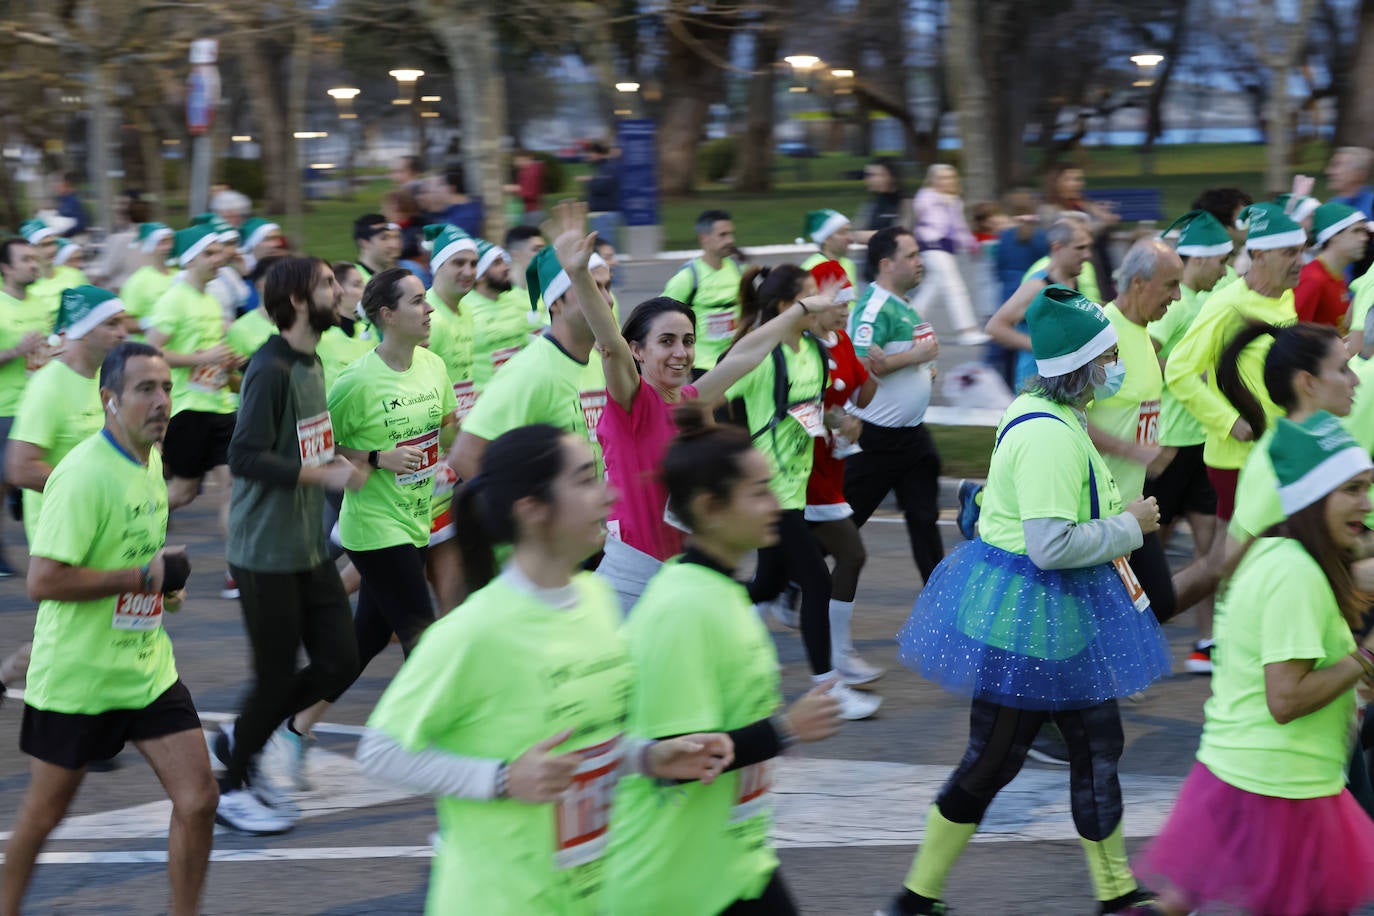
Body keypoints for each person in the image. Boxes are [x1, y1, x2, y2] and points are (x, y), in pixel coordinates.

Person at [356, 423, 732, 914]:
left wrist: (646, 759)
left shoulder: (597, 598)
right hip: (499, 900)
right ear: (532, 511)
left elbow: (585, 742)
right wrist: (502, 779)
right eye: (583, 480)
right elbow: (380, 751)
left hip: (589, 897)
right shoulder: (475, 630)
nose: (608, 493)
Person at [879, 285, 1172, 916]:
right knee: (992, 761)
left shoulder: (1054, 415)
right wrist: (1131, 524)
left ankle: (1116, 894)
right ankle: (913, 899)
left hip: (1055, 614)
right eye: (1109, 356)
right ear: (1083, 367)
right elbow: (1049, 545)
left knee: (1096, 746)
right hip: (1030, 617)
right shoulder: (1048, 436)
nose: (1116, 365)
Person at [539, 202, 846, 614]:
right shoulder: (631, 401)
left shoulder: (690, 402)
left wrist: (801, 310)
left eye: (687, 340)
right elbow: (610, 345)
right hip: (631, 583)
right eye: (666, 341)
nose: (680, 353)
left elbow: (746, 354)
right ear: (638, 351)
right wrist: (578, 275)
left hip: (684, 577)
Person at [0, 342, 213, 916]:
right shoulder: (81, 475)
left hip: (145, 670)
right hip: (79, 677)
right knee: (44, 817)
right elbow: (42, 582)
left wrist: (165, 584)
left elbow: (139, 556)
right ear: (109, 400)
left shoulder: (149, 463)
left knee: (198, 800)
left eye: (167, 387)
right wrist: (144, 575)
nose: (162, 400)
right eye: (146, 389)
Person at [604, 406, 844, 915]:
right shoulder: (681, 607)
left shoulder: (722, 592)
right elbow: (678, 759)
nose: (774, 502)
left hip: (734, 862)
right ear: (711, 508)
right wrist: (787, 728)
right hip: (674, 883)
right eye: (758, 491)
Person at [1134, 412, 1374, 916]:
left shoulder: (1281, 551)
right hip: (1282, 785)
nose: (1367, 504)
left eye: (1367, 487)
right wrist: (1365, 659)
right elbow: (1285, 699)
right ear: (1314, 496)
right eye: (1352, 490)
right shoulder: (1297, 575)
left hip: (1248, 770)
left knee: (1178, 902)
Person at [211, 258, 365, 836]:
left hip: (306, 546)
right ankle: (231, 784)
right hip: (264, 553)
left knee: (340, 662)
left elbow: (312, 445)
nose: (339, 291)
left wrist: (342, 463)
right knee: (276, 677)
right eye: (328, 284)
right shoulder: (269, 367)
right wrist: (319, 476)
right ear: (299, 301)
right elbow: (244, 456)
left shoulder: (314, 361)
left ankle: (242, 733)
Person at [292, 268, 457, 738]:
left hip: (417, 519)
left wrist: (458, 456)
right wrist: (375, 457)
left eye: (427, 300)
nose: (429, 309)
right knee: (420, 633)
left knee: (358, 647)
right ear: (387, 315)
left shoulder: (433, 366)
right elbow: (315, 448)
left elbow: (447, 430)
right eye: (418, 301)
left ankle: (279, 726)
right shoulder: (356, 382)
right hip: (372, 530)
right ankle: (436, 738)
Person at [728, 263, 881, 720]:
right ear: (784, 308)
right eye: (813, 295)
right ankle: (828, 689)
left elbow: (812, 409)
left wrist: (840, 422)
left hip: (795, 487)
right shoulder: (760, 354)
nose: (826, 302)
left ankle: (711, 619)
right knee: (814, 579)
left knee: (766, 584)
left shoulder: (812, 352)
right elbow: (707, 397)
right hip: (768, 490)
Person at [1166, 201, 1306, 525]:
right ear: (1259, 255)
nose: (1301, 262)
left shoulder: (1285, 295)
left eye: (1301, 251)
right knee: (1239, 562)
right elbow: (1179, 370)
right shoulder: (1227, 304)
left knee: (1244, 559)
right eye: (1289, 254)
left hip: (1277, 451)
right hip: (1237, 459)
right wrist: (1229, 422)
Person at [1146, 210, 1233, 674]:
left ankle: (1207, 641)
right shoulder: (1177, 304)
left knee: (1209, 547)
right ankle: (1131, 644)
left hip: (1203, 445)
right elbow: (1146, 351)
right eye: (1220, 260)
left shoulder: (1216, 296)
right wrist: (1186, 379)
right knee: (1147, 555)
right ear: (1197, 260)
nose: (1225, 267)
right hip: (1166, 448)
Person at [1085, 240, 1186, 623]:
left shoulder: (1142, 330)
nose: (1177, 297)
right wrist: (1134, 450)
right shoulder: (1103, 334)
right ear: (1140, 284)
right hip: (1096, 513)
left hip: (1132, 504)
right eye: (1170, 285)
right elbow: (1069, 420)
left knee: (1157, 602)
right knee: (1124, 610)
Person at [449, 245, 609, 480]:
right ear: (556, 303)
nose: (607, 299)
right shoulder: (528, 371)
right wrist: (520, 514)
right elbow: (465, 456)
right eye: (592, 288)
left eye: (608, 287)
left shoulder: (599, 361)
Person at [144, 224, 240, 598]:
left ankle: (236, 572)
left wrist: (226, 361)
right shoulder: (175, 299)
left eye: (219, 252)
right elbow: (153, 352)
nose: (219, 259)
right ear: (190, 259)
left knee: (233, 485)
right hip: (187, 409)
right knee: (182, 493)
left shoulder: (210, 298)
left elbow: (210, 352)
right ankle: (126, 513)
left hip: (220, 405)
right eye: (210, 253)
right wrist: (203, 357)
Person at [845, 227, 944, 585]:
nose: (920, 262)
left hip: (912, 437)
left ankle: (939, 603)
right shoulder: (872, 308)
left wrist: (923, 367)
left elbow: (895, 358)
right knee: (844, 521)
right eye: (912, 255)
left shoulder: (903, 303)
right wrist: (915, 356)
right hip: (875, 440)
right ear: (886, 264)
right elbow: (859, 367)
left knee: (924, 518)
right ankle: (788, 581)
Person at [803, 259, 881, 684]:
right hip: (806, 475)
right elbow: (802, 406)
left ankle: (760, 604)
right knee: (852, 554)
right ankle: (838, 656)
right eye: (838, 301)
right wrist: (835, 420)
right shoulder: (803, 347)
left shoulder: (844, 341)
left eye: (850, 301)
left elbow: (861, 398)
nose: (845, 309)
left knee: (784, 572)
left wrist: (873, 370)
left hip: (833, 469)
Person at [6, 287, 128, 544]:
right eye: (112, 324)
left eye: (123, 323)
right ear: (85, 330)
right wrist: (92, 493)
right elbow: (20, 469)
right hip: (62, 534)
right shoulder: (48, 385)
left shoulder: (107, 377)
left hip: (103, 526)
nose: (123, 333)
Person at [1221, 322, 1357, 546]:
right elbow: (1238, 559)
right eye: (1343, 369)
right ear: (1308, 383)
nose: (1356, 380)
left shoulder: (1318, 442)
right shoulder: (1281, 462)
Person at [986, 217, 1096, 390]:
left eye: (1089, 247)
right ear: (1057, 247)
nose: (1087, 255)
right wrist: (1042, 346)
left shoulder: (1073, 280)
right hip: (1035, 388)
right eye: (1080, 248)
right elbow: (995, 327)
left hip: (1065, 386)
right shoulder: (1037, 285)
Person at [0, 238, 46, 576]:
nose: (34, 263)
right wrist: (16, 350)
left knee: (42, 478)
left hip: (41, 407)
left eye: (35, 258)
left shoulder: (42, 304)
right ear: (5, 268)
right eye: (25, 259)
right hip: (5, 408)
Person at [911, 165, 989, 346]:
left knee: (932, 289)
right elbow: (924, 215)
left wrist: (971, 243)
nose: (947, 181)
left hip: (946, 248)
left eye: (950, 177)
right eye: (942, 177)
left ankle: (908, 322)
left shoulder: (953, 201)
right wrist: (940, 201)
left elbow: (959, 227)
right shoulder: (927, 198)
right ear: (933, 180)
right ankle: (966, 330)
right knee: (955, 287)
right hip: (932, 246)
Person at [662, 210, 742, 370]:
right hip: (703, 366)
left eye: (731, 234)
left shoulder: (738, 270)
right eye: (723, 235)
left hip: (736, 362)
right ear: (704, 238)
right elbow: (660, 316)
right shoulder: (688, 277)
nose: (730, 240)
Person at [464, 239, 530, 390]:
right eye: (497, 263)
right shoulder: (464, 307)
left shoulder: (517, 299)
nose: (506, 267)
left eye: (505, 261)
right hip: (482, 399)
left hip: (519, 392)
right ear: (480, 276)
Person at [1296, 201, 1369, 327]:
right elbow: (1292, 335)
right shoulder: (1312, 279)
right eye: (1356, 231)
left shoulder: (1338, 275)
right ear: (1333, 235)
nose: (1364, 238)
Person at [318, 262, 377, 391]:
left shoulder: (368, 330)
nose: (365, 290)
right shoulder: (321, 336)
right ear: (337, 290)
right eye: (357, 284)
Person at [119, 223, 176, 334]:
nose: (167, 247)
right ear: (150, 246)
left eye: (169, 241)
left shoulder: (180, 275)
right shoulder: (138, 281)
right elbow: (126, 324)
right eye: (162, 242)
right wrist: (153, 323)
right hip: (149, 348)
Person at [799, 209, 859, 288]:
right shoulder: (811, 268)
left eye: (849, 232)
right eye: (842, 233)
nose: (850, 238)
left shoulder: (849, 264)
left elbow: (852, 300)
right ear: (825, 239)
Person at [855, 157, 912, 236]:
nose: (868, 179)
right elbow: (855, 233)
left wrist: (864, 236)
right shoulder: (871, 204)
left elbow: (899, 235)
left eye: (874, 175)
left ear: (891, 177)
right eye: (868, 175)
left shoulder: (907, 204)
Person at [583, 142, 620, 245]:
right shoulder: (600, 167)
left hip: (604, 213)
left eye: (591, 153)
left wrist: (590, 182)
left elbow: (602, 186)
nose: (589, 156)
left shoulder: (607, 168)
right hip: (599, 213)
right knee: (602, 245)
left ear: (597, 154)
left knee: (605, 245)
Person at [352, 214, 401, 282]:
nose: (393, 245)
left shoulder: (394, 277)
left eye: (393, 237)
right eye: (384, 238)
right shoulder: (354, 281)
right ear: (364, 243)